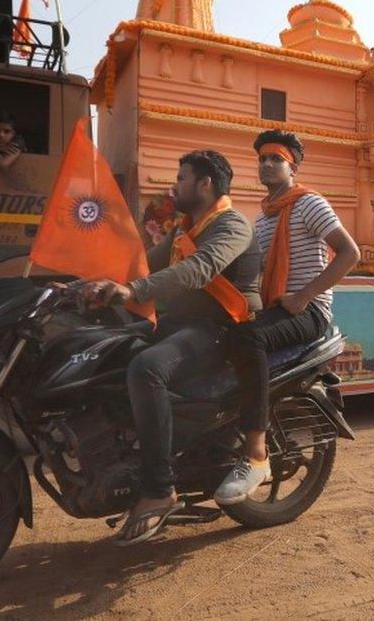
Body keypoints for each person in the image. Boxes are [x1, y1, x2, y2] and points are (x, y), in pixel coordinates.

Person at [84, 150, 262, 546]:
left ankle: (159, 488)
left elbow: (197, 270)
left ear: (205, 184)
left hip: (220, 329)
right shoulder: (185, 228)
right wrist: (91, 282)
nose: (174, 185)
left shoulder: (232, 225)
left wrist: (131, 291)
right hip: (180, 325)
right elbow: (143, 266)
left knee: (147, 368)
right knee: (104, 355)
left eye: (181, 178)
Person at [214, 130, 360, 505]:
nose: (266, 165)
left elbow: (349, 253)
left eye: (275, 159)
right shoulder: (262, 219)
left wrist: (305, 295)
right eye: (262, 159)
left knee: (248, 339)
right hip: (277, 307)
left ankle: (256, 453)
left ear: (291, 165)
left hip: (309, 311)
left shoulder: (309, 203)